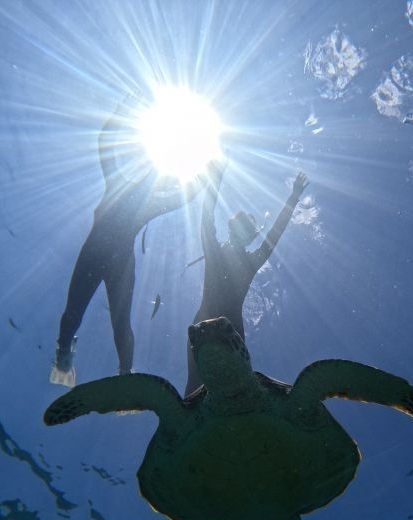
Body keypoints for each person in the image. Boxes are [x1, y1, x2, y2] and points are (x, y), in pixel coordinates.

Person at [51, 96, 205, 387]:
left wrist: (119, 114)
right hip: (115, 259)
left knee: (91, 316)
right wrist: (206, 175)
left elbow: (105, 145)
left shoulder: (127, 192)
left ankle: (107, 367)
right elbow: (106, 146)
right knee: (103, 319)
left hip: (103, 255)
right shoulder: (130, 193)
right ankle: (119, 370)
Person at [184, 164, 309, 395]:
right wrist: (215, 180)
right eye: (239, 227)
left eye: (247, 229)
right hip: (214, 325)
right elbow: (206, 220)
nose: (242, 232)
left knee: (239, 392)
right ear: (231, 229)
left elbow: (275, 232)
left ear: (251, 236)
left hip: (225, 327)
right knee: (194, 391)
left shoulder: (249, 261)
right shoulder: (216, 251)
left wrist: (293, 196)